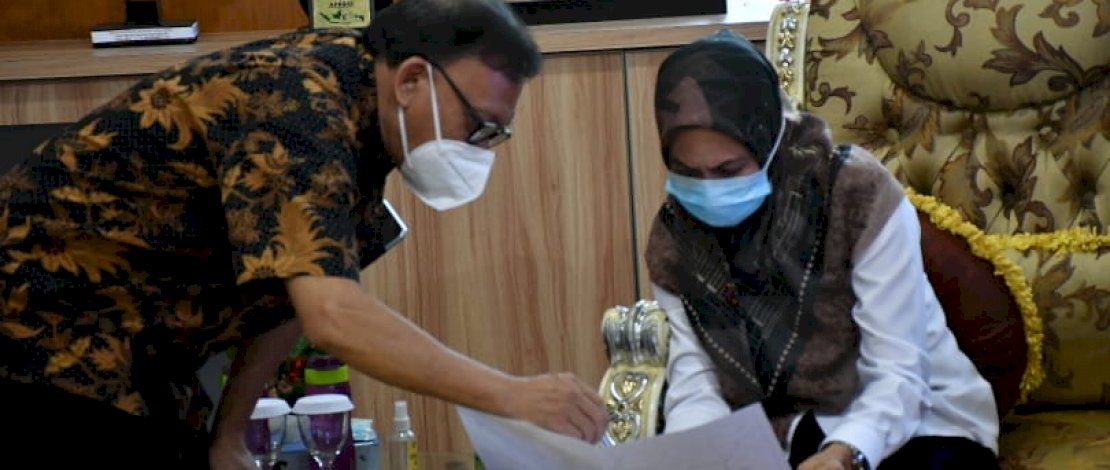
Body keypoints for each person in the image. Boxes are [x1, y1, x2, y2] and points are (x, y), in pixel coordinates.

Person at [0, 0, 606, 467]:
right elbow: (332, 316)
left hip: (137, 357)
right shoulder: (297, 103)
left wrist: (229, 436)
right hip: (43, 334)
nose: (479, 152)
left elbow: (287, 295)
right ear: (413, 80)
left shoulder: (360, 120)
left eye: (495, 137)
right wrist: (507, 394)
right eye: (478, 126)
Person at [645, 30, 1000, 470]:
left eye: (728, 169)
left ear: (769, 141)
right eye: (688, 172)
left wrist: (844, 454)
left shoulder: (856, 196)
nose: (709, 190)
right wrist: (703, 454)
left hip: (919, 425)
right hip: (790, 433)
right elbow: (696, 384)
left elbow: (899, 373)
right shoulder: (677, 237)